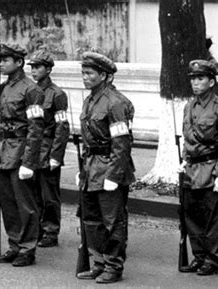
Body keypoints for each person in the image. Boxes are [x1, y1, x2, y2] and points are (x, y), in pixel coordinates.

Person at [75, 51, 135, 284]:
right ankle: (98, 263)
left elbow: (122, 143)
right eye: (83, 73)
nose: (85, 77)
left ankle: (113, 265)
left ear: (105, 76)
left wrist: (114, 175)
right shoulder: (90, 100)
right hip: (91, 168)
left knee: (112, 221)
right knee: (91, 220)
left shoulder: (116, 103)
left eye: (90, 73)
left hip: (110, 167)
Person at [178, 59, 218, 275]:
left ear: (211, 82)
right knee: (191, 216)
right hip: (191, 171)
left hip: (211, 169)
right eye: (193, 78)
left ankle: (212, 259)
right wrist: (184, 159)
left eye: (200, 78)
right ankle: (199, 256)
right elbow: (187, 139)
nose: (195, 83)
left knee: (212, 218)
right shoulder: (188, 106)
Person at [0, 43, 45, 267]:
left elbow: (36, 128)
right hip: (3, 150)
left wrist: (29, 162)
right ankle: (14, 244)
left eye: (5, 60)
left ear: (19, 62)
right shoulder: (4, 87)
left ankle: (27, 248)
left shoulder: (31, 90)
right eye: (0, 60)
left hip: (21, 149)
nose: (1, 64)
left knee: (25, 203)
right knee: (8, 203)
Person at [27, 49, 70, 248]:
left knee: (49, 194)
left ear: (48, 69)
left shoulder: (57, 94)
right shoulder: (31, 92)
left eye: (38, 67)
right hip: (33, 149)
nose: (34, 71)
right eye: (32, 67)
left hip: (48, 147)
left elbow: (62, 127)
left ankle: (51, 231)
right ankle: (36, 228)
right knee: (33, 192)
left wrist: (56, 156)